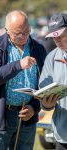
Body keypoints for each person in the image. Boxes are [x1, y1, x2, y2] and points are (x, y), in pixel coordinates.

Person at [0, 10, 46, 150]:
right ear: (7, 31)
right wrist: (18, 65)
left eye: (27, 31)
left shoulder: (39, 49)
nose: (24, 36)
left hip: (27, 118)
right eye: (18, 33)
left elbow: (44, 84)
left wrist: (34, 107)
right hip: (0, 118)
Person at [39, 13, 67, 150]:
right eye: (54, 37)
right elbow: (44, 90)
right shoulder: (51, 57)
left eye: (61, 36)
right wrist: (46, 103)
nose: (58, 41)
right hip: (62, 135)